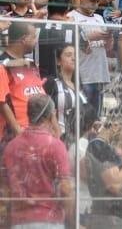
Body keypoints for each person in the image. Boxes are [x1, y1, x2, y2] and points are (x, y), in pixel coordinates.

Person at [1, 94, 74, 229]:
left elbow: (5, 190)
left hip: (18, 222)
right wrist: (72, 221)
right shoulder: (56, 146)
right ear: (51, 116)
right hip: (49, 222)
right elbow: (65, 189)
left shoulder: (11, 147)